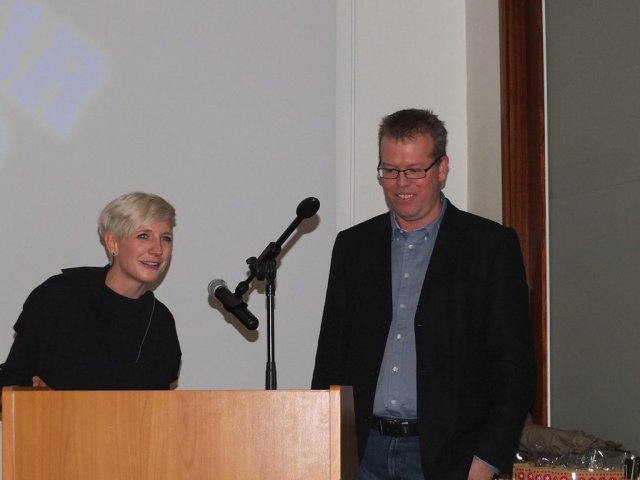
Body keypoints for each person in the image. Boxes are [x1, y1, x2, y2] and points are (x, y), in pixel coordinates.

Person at [311, 109, 536, 480]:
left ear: (442, 168)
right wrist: (324, 445)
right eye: (390, 170)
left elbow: (514, 366)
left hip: (450, 457)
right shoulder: (354, 247)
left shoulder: (489, 246)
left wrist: (487, 460)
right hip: (363, 453)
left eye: (415, 170)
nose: (401, 183)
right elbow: (331, 357)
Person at [0, 191, 181, 395]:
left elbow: (158, 408)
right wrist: (37, 399)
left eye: (166, 238)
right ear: (112, 243)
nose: (158, 250)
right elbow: (10, 381)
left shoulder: (160, 322)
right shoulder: (60, 296)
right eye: (143, 236)